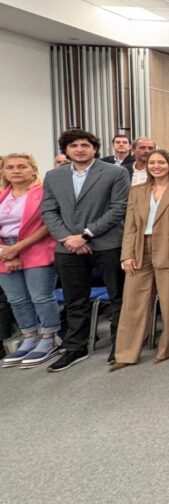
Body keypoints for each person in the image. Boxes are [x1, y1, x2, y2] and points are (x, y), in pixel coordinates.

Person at [41, 128, 130, 371]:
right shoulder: (53, 176)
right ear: (66, 150)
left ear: (94, 149)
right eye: (73, 146)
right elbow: (49, 211)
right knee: (75, 300)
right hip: (68, 247)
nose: (79, 150)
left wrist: (85, 235)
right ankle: (75, 347)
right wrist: (67, 238)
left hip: (107, 243)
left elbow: (118, 208)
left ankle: (121, 345)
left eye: (84, 145)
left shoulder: (115, 172)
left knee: (118, 297)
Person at [110, 150, 169, 370]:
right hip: (140, 248)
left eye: (161, 162)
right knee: (133, 303)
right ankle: (126, 353)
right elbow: (130, 225)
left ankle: (167, 347)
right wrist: (127, 254)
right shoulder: (137, 190)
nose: (157, 166)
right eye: (152, 163)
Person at [0, 153, 60, 368]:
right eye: (10, 167)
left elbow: (47, 224)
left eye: (22, 166)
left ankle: (49, 337)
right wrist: (7, 252)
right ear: (3, 171)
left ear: (33, 170)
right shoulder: (2, 195)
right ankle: (29, 337)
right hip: (3, 252)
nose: (16, 171)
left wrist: (16, 249)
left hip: (36, 247)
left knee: (41, 297)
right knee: (16, 299)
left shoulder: (43, 193)